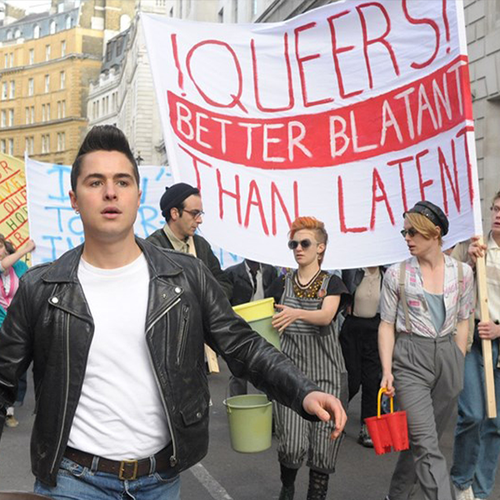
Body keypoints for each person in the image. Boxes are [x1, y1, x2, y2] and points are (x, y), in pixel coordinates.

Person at [0, 125, 347, 500]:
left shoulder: (187, 277)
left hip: (160, 482)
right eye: (95, 182)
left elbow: (243, 346)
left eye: (122, 181)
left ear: (137, 195)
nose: (110, 192)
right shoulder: (42, 287)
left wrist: (303, 391)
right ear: (74, 198)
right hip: (73, 480)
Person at [379, 200, 474, 500]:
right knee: (426, 444)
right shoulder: (396, 274)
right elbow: (385, 325)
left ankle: (396, 495)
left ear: (434, 234)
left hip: (447, 357)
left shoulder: (462, 273)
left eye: (413, 233)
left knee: (422, 441)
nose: (406, 238)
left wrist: (457, 359)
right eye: (404, 232)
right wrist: (386, 371)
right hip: (410, 359)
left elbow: (463, 319)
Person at [270, 216, 350, 500]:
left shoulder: (333, 282)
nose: (298, 248)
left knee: (323, 448)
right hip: (291, 374)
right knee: (291, 445)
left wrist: (297, 313)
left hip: (327, 373)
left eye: (305, 243)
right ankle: (287, 485)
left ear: (320, 247)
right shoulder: (282, 280)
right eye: (293, 243)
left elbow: (327, 316)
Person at [450, 191, 500, 500]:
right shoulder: (478, 247)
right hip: (471, 342)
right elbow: (449, 279)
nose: (497, 215)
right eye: (495, 209)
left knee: (495, 423)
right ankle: (461, 479)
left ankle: (480, 492)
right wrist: (467, 260)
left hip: (497, 346)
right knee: (472, 414)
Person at [147, 182, 232, 299]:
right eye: (194, 213)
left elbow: (223, 281)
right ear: (175, 213)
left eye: (200, 214)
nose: (200, 220)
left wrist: (211, 301)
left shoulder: (201, 245)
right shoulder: (152, 249)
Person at [340, 266, 384, 447]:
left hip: (375, 328)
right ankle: (335, 414)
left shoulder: (386, 275)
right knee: (353, 379)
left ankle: (368, 426)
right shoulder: (353, 271)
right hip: (352, 328)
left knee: (372, 380)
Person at [224, 258, 278, 396]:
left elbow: (275, 297)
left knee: (266, 366)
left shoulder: (270, 271)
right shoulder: (232, 273)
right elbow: (226, 302)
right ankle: (238, 405)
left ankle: (266, 407)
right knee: (238, 369)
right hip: (240, 325)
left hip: (265, 324)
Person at [0, 235, 35, 428]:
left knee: (15, 370)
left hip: (15, 326)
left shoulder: (20, 267)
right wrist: (26, 248)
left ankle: (9, 410)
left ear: (5, 248)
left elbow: (31, 285)